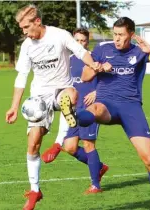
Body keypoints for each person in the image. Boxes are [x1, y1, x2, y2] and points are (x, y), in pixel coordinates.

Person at [60, 17, 150, 210]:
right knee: (95, 109)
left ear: (131, 34)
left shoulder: (140, 51)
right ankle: (74, 117)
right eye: (114, 34)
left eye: (121, 35)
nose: (117, 39)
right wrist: (97, 67)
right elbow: (85, 76)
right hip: (106, 103)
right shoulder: (103, 49)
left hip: (131, 108)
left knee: (149, 159)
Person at [5, 5, 100, 210]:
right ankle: (35, 190)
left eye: (26, 26)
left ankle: (59, 140)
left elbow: (81, 52)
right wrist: (13, 106)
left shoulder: (60, 35)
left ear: (37, 21)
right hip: (39, 97)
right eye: (21, 28)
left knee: (71, 95)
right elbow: (21, 77)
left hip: (61, 89)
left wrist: (92, 64)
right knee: (33, 144)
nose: (24, 31)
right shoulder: (27, 46)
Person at [41, 28, 109, 194]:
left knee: (88, 144)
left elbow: (109, 83)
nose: (80, 44)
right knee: (69, 147)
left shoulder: (94, 59)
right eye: (77, 40)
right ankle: (99, 167)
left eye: (83, 41)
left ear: (87, 41)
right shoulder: (67, 61)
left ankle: (95, 185)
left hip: (91, 109)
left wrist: (97, 93)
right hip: (72, 111)